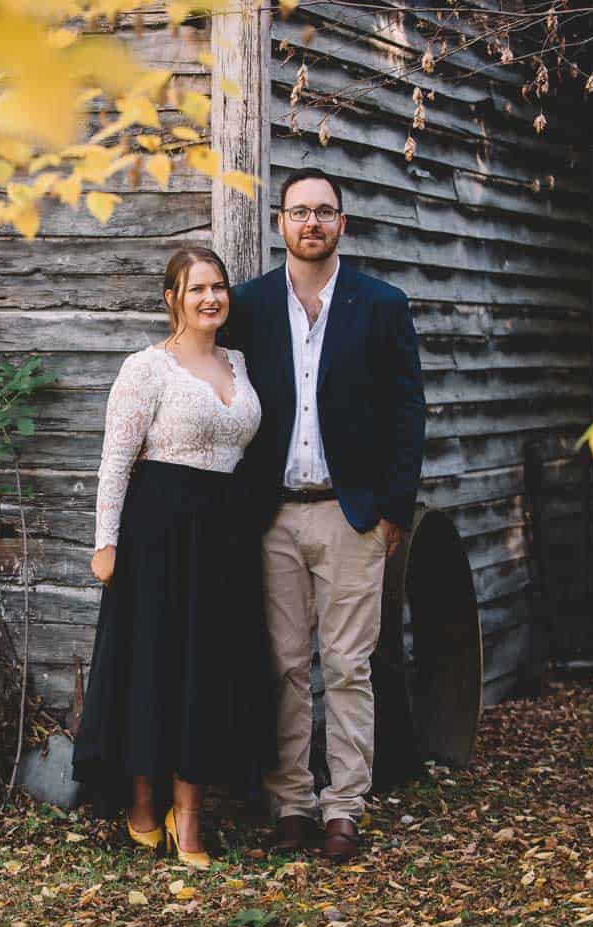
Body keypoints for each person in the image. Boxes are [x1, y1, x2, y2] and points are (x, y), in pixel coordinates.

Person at [223, 167, 426, 861]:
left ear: (343, 223)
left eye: (325, 212)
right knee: (282, 665)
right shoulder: (245, 307)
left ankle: (344, 807)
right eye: (299, 212)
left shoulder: (381, 305)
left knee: (347, 665)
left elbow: (407, 413)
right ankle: (291, 802)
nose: (312, 223)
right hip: (271, 515)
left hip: (351, 515)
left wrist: (393, 510)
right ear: (280, 223)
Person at [72, 246, 272, 870]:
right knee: (154, 665)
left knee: (206, 670)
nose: (210, 298)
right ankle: (141, 803)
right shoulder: (145, 369)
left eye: (218, 287)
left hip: (225, 536)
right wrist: (106, 543)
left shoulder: (239, 362)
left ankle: (190, 817)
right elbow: (115, 460)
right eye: (196, 289)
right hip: (158, 529)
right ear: (172, 299)